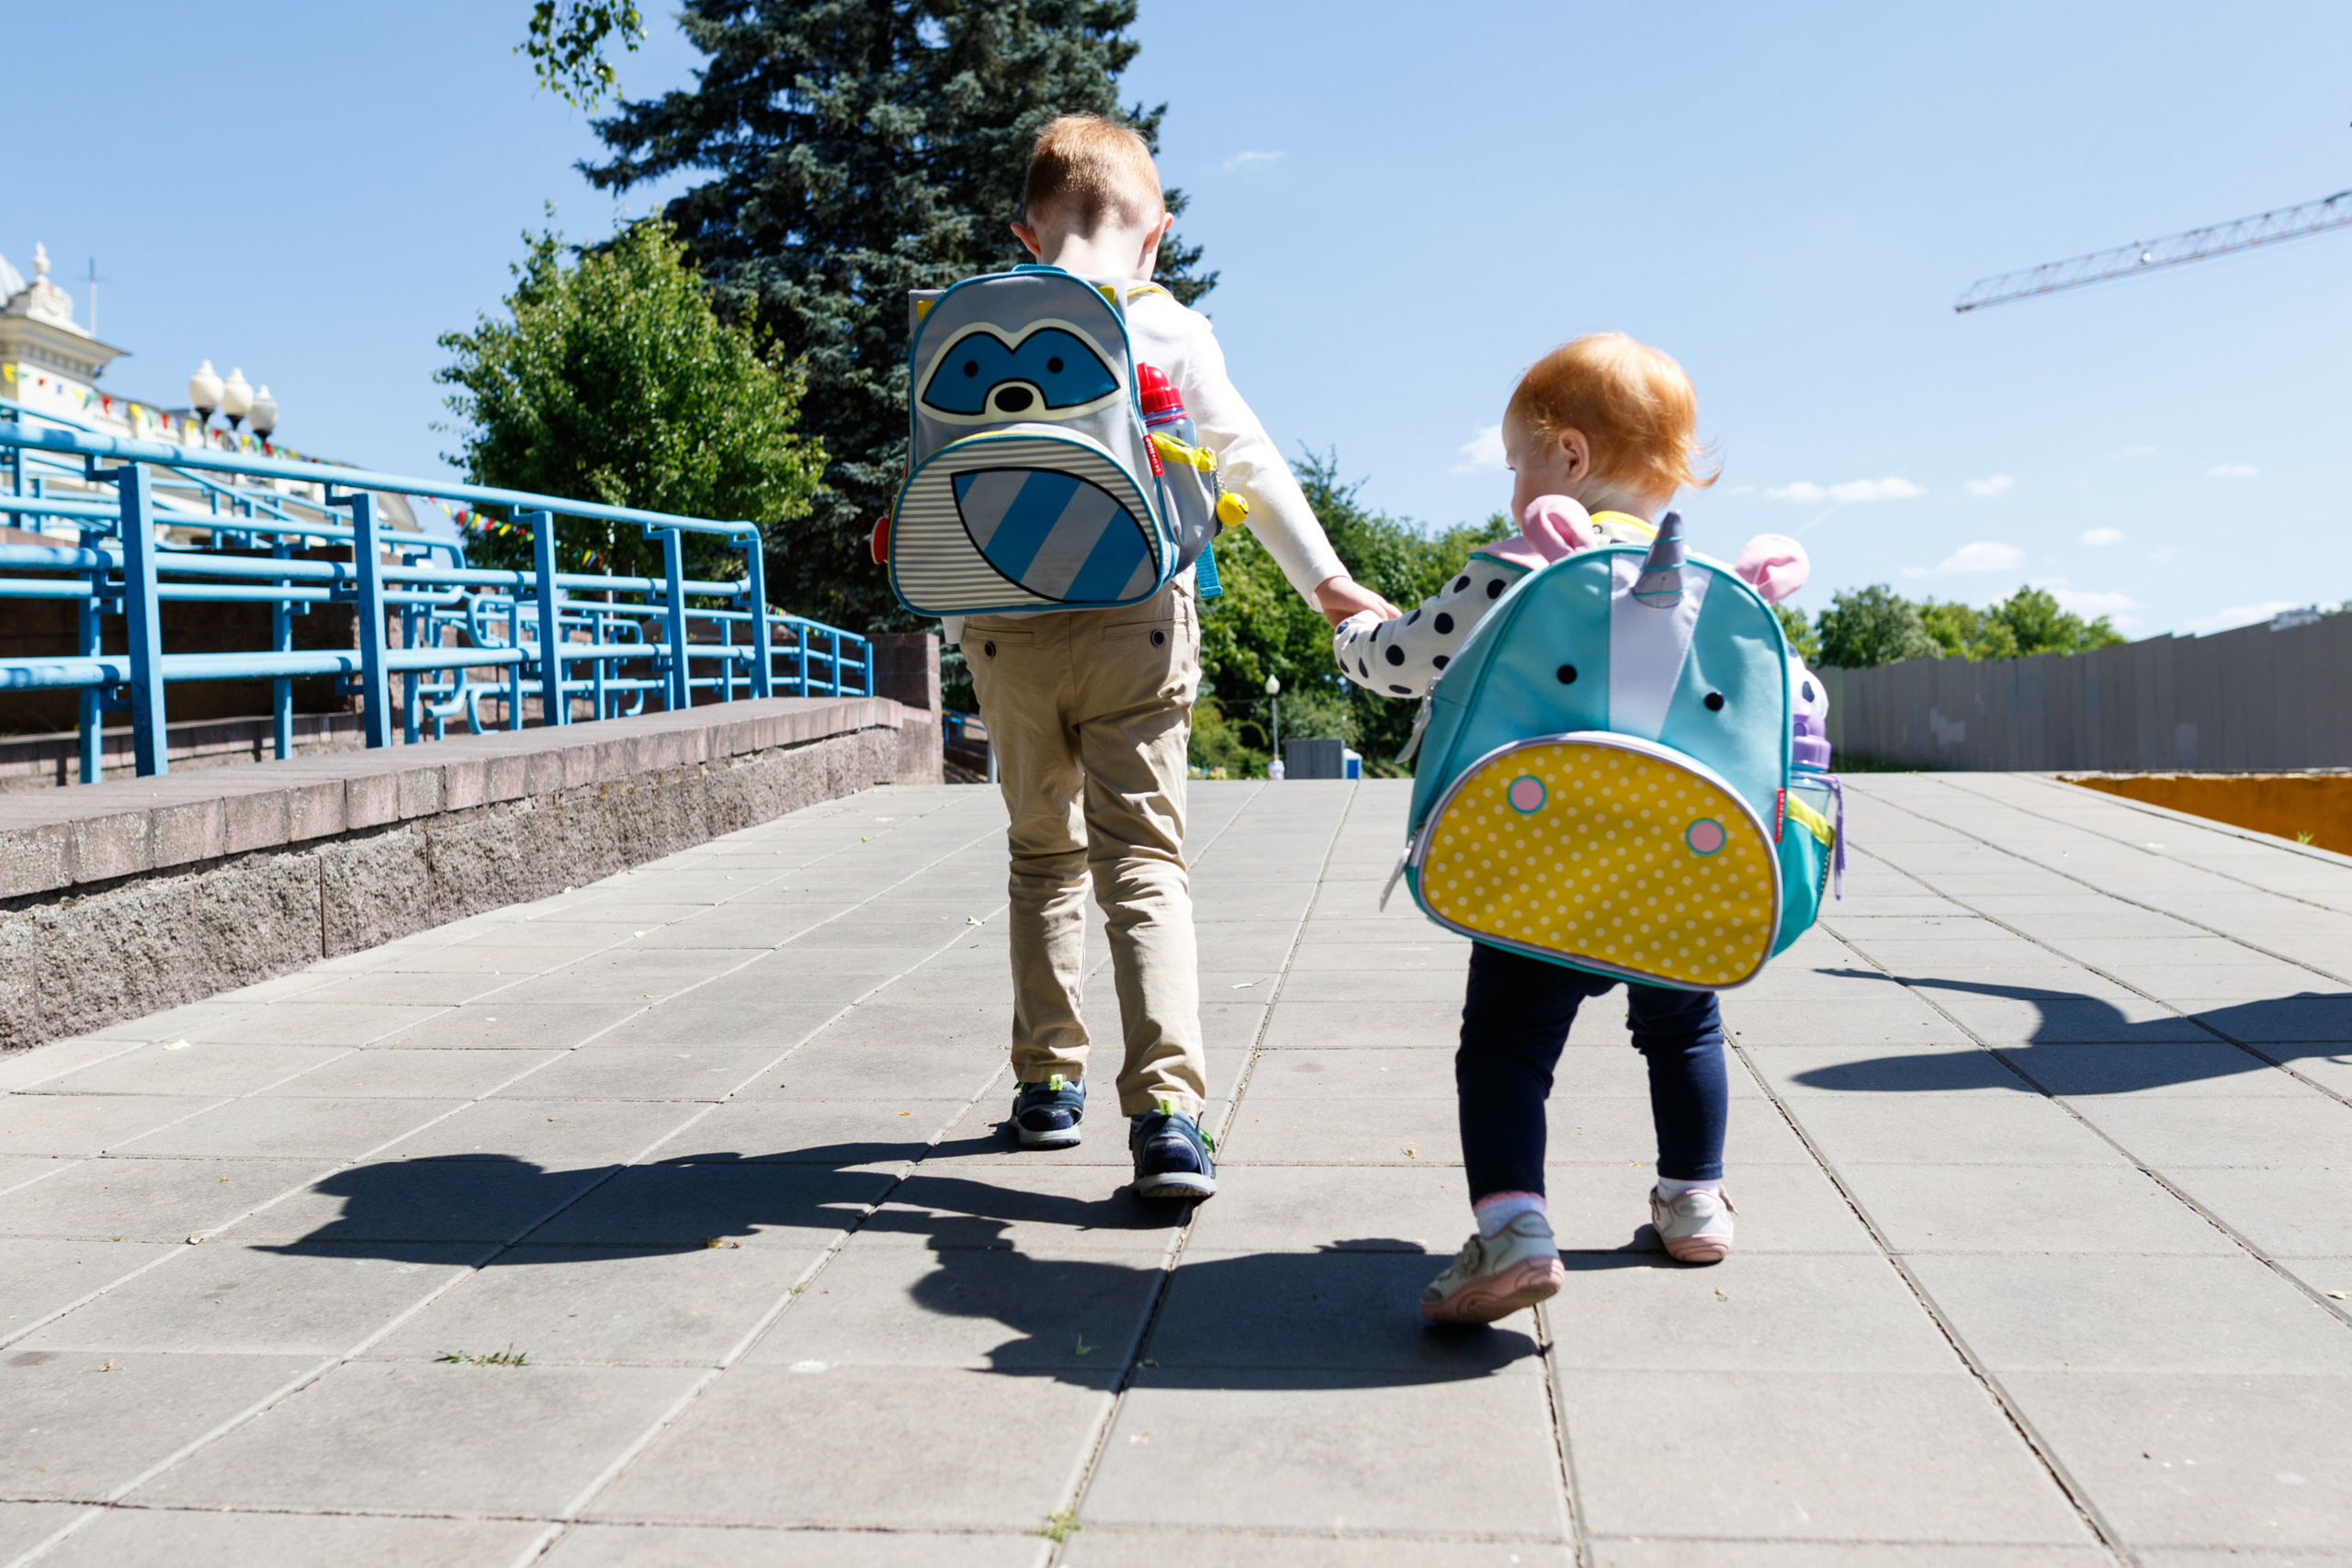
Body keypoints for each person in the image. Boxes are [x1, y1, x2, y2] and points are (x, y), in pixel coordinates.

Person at [966, 115, 1399, 1199]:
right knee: (1143, 863)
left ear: (1027, 234)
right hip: (1135, 622)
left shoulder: (971, 320)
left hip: (1000, 629)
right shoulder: (1169, 328)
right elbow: (1245, 458)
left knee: (1039, 855)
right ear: (1154, 235)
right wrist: (1330, 584)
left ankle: (1043, 1085)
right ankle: (1165, 1114)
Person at [1333, 333, 1747, 1322]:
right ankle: (1693, 1201)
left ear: (1567, 457)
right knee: (1684, 1025)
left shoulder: (1520, 564)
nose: (1511, 486)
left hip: (1538, 858)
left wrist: (1352, 629)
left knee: (1506, 1051)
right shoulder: (1708, 585)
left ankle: (1514, 1231)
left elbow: (1401, 660)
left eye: (1516, 462)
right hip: (1677, 862)